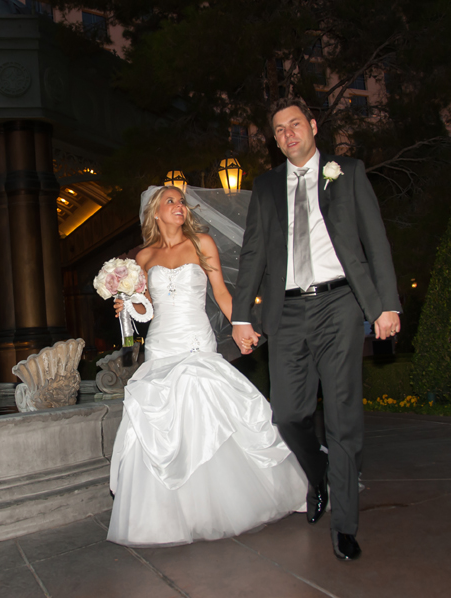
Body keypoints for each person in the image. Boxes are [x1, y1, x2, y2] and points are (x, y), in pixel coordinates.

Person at [232, 97, 401, 561]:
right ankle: (319, 468)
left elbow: (375, 239)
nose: (288, 134)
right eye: (279, 130)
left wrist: (387, 305)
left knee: (343, 416)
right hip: (285, 313)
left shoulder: (347, 171)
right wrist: (242, 314)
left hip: (340, 304)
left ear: (312, 126)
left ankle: (345, 525)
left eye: (294, 125)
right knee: (288, 414)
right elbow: (252, 255)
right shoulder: (266, 186)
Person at [107, 184, 307, 547]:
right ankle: (175, 516)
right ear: (155, 212)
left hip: (196, 339)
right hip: (160, 345)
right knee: (164, 423)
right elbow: (146, 309)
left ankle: (232, 503)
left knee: (206, 414)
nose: (179, 206)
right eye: (170, 201)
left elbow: (222, 294)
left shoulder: (202, 243)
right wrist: (128, 306)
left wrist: (241, 324)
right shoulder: (143, 257)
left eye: (181, 201)